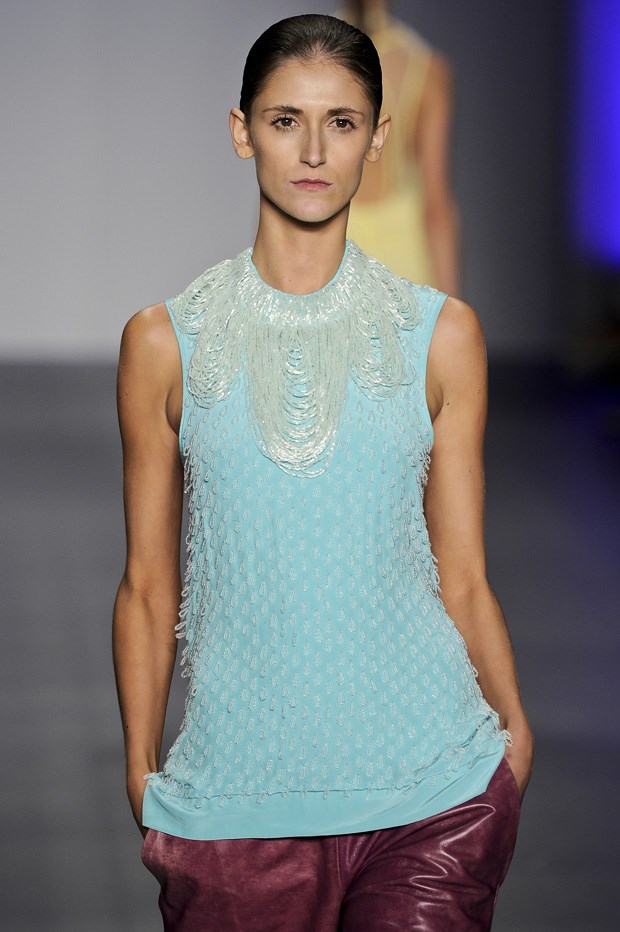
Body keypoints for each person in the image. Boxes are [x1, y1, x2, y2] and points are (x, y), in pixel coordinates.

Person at [113, 13, 533, 931]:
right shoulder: (164, 343)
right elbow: (148, 582)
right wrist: (143, 775)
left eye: (341, 122)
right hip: (233, 805)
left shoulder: (441, 335)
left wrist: (512, 738)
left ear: (377, 140)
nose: (313, 151)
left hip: (434, 790)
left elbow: (463, 573)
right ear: (242, 132)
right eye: (284, 120)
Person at [341, 0, 460, 294]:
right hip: (403, 253)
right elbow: (436, 203)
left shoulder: (307, 57)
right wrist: (452, 307)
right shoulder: (425, 66)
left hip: (332, 240)